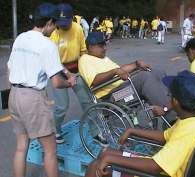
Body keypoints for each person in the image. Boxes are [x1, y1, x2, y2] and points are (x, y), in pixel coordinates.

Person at [84, 70, 195, 177]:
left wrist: (111, 159)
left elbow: (155, 167)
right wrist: (132, 131)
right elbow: (164, 136)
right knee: (105, 153)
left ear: (176, 102)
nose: (167, 94)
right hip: (161, 166)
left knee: (95, 167)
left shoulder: (188, 131)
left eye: (170, 94)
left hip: (154, 172)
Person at [7, 3, 75, 177]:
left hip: (14, 95)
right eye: (56, 24)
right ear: (49, 22)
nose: (56, 29)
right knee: (50, 150)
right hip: (33, 98)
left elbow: (10, 69)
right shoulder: (47, 44)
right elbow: (57, 83)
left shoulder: (20, 38)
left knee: (21, 147)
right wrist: (70, 82)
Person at [78, 32, 170, 109]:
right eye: (101, 45)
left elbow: (120, 70)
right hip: (113, 96)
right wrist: (114, 71)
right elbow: (94, 80)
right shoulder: (85, 59)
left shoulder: (102, 58)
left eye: (105, 44)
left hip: (123, 88)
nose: (105, 48)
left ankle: (170, 106)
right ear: (90, 47)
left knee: (157, 72)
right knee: (144, 78)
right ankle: (170, 116)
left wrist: (136, 64)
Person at [50, 3, 90, 143]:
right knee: (62, 106)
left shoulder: (78, 29)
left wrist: (86, 68)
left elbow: (83, 50)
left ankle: (97, 131)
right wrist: (68, 75)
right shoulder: (54, 33)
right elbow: (54, 60)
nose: (63, 26)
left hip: (76, 70)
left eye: (66, 22)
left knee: (87, 101)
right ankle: (56, 130)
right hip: (58, 71)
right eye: (60, 23)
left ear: (72, 18)